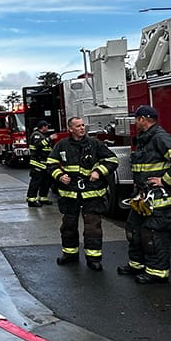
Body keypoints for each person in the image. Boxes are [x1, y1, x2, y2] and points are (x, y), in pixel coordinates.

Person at [119, 105, 171, 284]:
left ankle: (157, 272)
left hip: (160, 199)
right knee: (134, 228)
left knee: (152, 234)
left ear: (142, 119)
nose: (135, 122)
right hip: (143, 197)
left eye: (136, 119)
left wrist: (164, 180)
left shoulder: (160, 137)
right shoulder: (144, 138)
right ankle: (137, 265)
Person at [47, 116, 120, 271]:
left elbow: (113, 160)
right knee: (68, 225)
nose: (82, 128)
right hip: (70, 194)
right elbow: (51, 164)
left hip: (92, 193)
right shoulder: (62, 145)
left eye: (82, 125)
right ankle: (70, 254)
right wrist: (60, 176)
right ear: (70, 129)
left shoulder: (95, 144)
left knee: (93, 227)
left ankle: (94, 259)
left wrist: (99, 171)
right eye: (78, 126)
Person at [25, 120, 53, 206]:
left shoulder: (42, 135)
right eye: (47, 126)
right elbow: (38, 145)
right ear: (43, 127)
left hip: (44, 163)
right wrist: (49, 139)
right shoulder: (36, 135)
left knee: (46, 182)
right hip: (37, 163)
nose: (47, 128)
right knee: (36, 182)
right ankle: (31, 200)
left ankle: (43, 197)